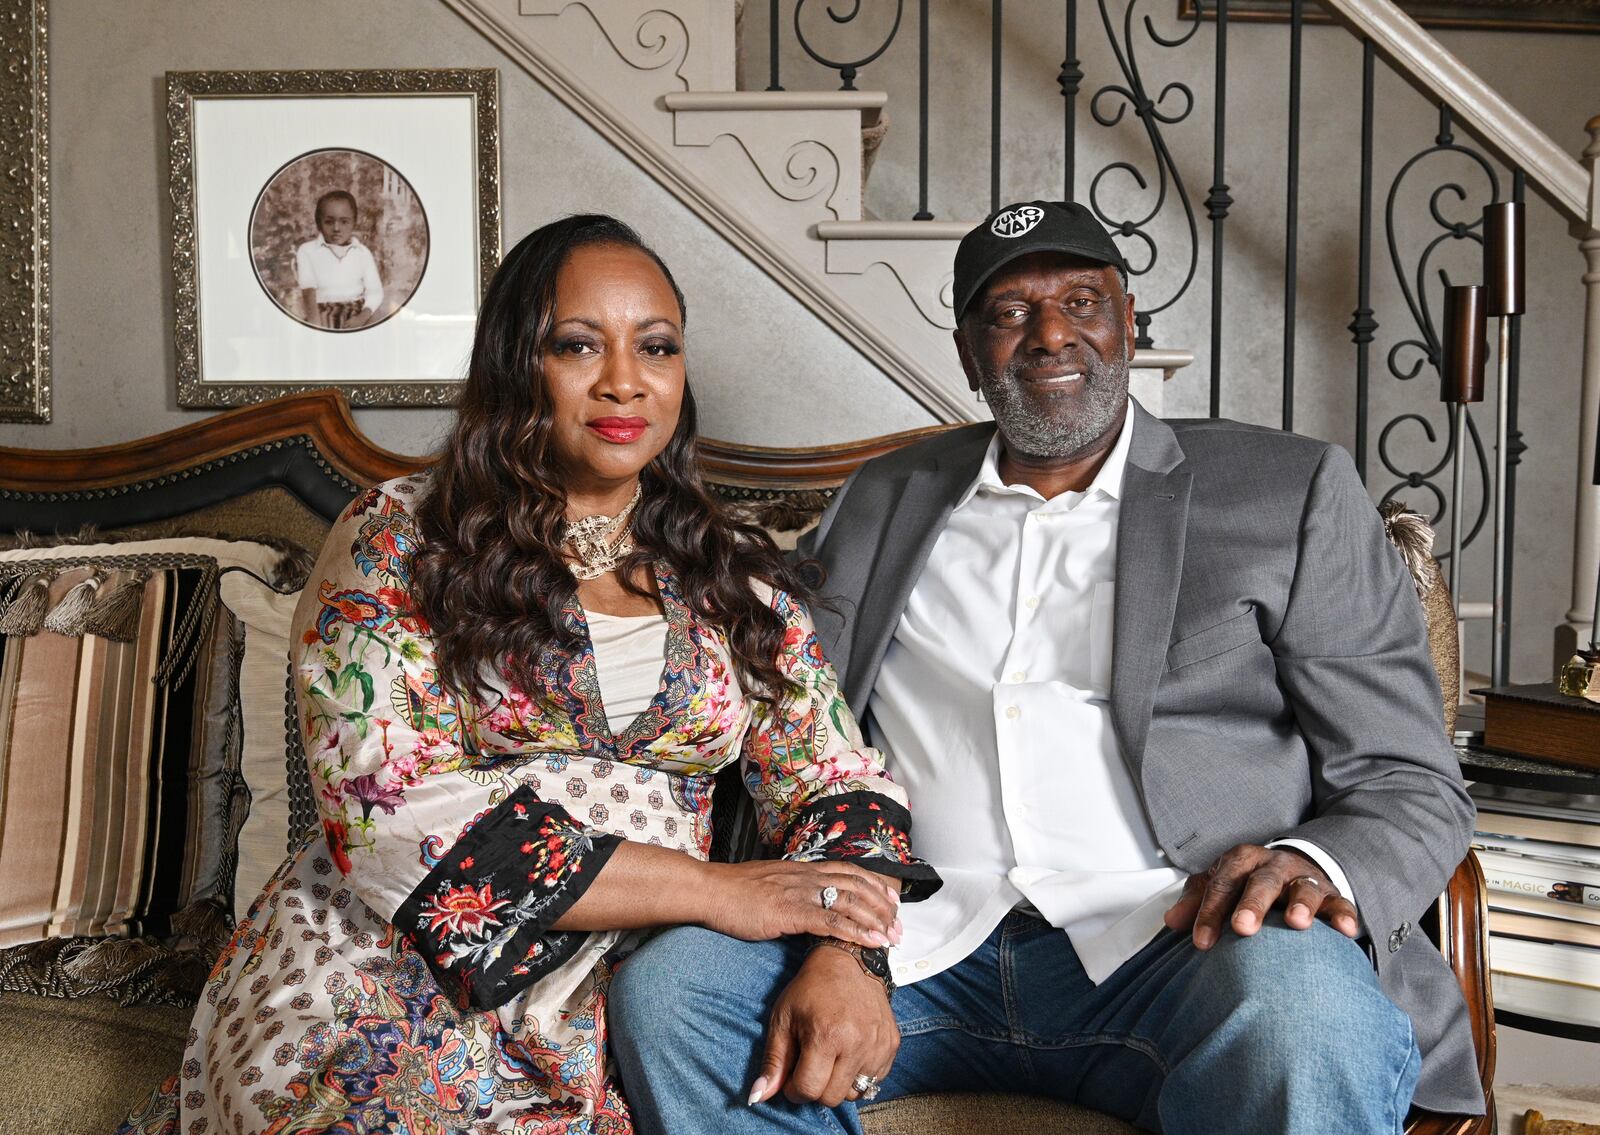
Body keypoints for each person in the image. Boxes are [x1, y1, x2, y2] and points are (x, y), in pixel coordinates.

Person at [609, 200, 1483, 1135]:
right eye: (1010, 312)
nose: (1051, 334)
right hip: (919, 945)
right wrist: (834, 923)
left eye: (1081, 300)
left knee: (1304, 1013)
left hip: (1180, 942)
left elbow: (1409, 777)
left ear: (1129, 321)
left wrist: (1311, 864)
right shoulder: (884, 497)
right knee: (678, 990)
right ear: (966, 350)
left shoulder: (1284, 491)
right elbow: (779, 699)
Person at [115, 214, 938, 1135]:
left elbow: (838, 778)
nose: (625, 380)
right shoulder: (401, 536)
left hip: (640, 976)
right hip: (398, 959)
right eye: (577, 344)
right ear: (516, 362)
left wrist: (840, 947)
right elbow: (388, 811)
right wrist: (720, 890)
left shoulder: (727, 572)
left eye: (656, 347)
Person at [294, 189, 385, 329]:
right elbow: (308, 291)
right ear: (319, 223)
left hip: (358, 313)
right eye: (329, 222)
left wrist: (362, 317)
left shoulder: (362, 252)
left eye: (344, 222)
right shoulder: (308, 251)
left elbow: (375, 291)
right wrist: (316, 326)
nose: (336, 228)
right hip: (322, 313)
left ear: (354, 222)